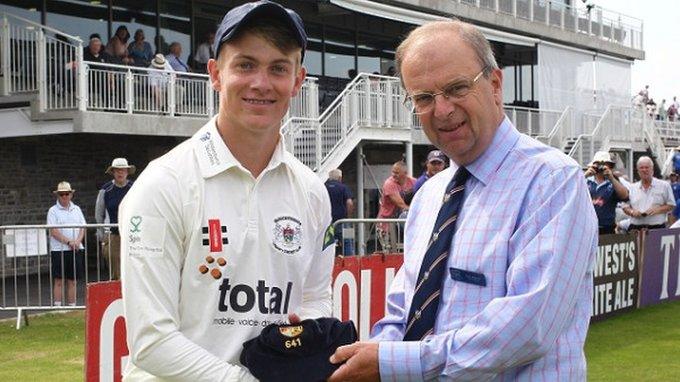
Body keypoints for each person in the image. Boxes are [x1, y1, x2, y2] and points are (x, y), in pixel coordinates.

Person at [328, 20, 598, 381]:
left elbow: (527, 327)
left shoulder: (552, 180)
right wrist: (369, 355)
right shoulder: (428, 195)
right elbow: (402, 310)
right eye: (423, 98)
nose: (441, 110)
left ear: (496, 84)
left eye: (456, 88)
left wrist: (394, 364)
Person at [119, 2, 334, 380]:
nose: (261, 83)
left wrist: (304, 343)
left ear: (297, 82)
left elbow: (315, 298)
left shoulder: (312, 190)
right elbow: (151, 341)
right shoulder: (163, 183)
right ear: (216, 74)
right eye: (245, 65)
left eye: (278, 68)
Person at [95, 157, 135, 280]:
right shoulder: (105, 190)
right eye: (117, 170)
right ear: (113, 172)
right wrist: (103, 236)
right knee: (116, 271)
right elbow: (99, 214)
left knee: (133, 269)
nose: (120, 173)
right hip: (113, 234)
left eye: (123, 170)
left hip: (132, 234)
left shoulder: (134, 188)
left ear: (127, 172)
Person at [47, 181, 86, 307]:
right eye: (61, 194)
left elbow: (83, 227)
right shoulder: (52, 211)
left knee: (72, 280)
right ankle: (57, 307)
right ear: (58, 196)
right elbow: (53, 231)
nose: (64, 197)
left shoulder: (77, 209)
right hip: (59, 249)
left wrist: (78, 241)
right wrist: (69, 241)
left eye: (66, 194)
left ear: (71, 195)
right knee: (58, 280)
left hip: (75, 249)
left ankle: (72, 306)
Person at [623, 156, 675, 230]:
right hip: (635, 228)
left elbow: (671, 205)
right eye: (641, 168)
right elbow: (625, 206)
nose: (644, 170)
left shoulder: (664, 185)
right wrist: (632, 212)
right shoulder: (632, 187)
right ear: (638, 171)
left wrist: (658, 210)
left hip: (657, 228)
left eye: (647, 167)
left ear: (652, 170)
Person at [584, 151, 629, 234]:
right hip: (588, 226)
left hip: (607, 227)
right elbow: (571, 191)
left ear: (609, 166)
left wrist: (611, 178)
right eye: (598, 164)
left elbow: (625, 196)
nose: (600, 167)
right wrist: (584, 175)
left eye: (604, 164)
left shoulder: (614, 181)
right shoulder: (586, 181)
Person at [376, 161, 415, 252]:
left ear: (405, 173)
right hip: (387, 224)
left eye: (396, 173)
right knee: (390, 252)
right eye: (393, 172)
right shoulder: (389, 183)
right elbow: (401, 205)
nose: (393, 175)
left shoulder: (413, 182)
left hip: (402, 223)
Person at [325, 169, 354, 255]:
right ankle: (349, 261)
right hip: (342, 221)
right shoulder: (344, 187)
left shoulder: (324, 187)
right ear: (340, 177)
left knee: (328, 244)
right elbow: (349, 203)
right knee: (347, 242)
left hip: (328, 222)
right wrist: (348, 216)